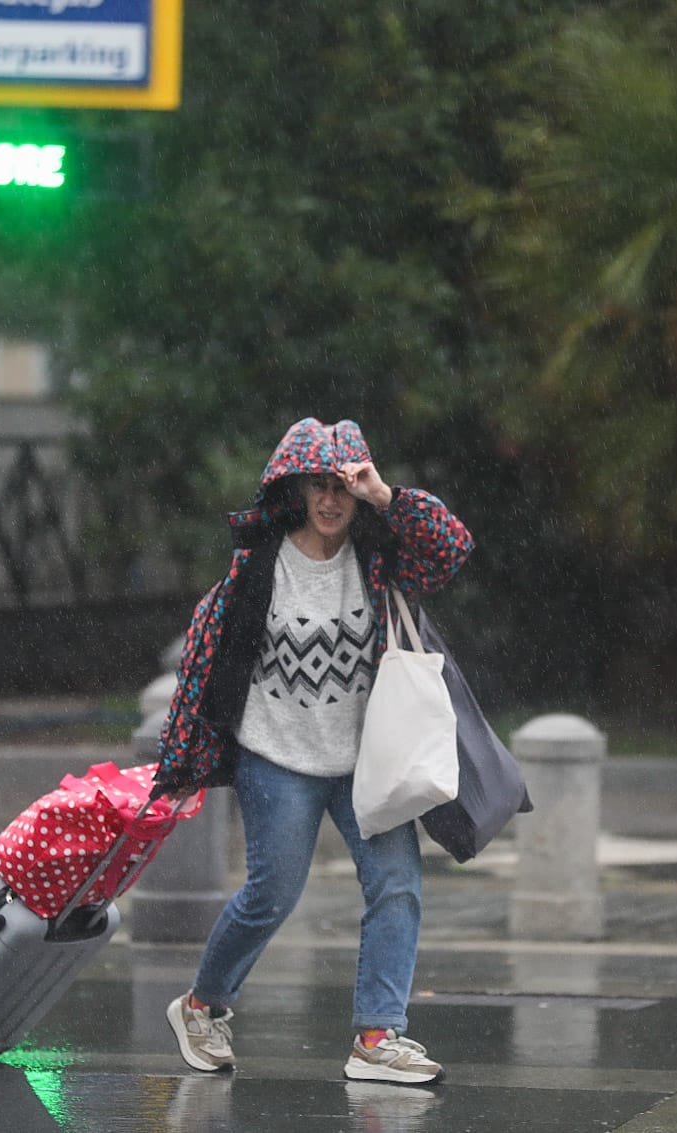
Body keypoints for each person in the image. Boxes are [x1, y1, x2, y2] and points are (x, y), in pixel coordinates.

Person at [152, 417, 474, 1085]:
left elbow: (451, 549)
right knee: (272, 891)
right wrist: (181, 762)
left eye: (344, 487)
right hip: (277, 757)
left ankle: (378, 1037)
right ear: (295, 489)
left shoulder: (380, 555)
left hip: (365, 760)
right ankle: (202, 1005)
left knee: (396, 887)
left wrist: (386, 496)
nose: (331, 500)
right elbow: (204, 662)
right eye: (319, 486)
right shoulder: (258, 566)